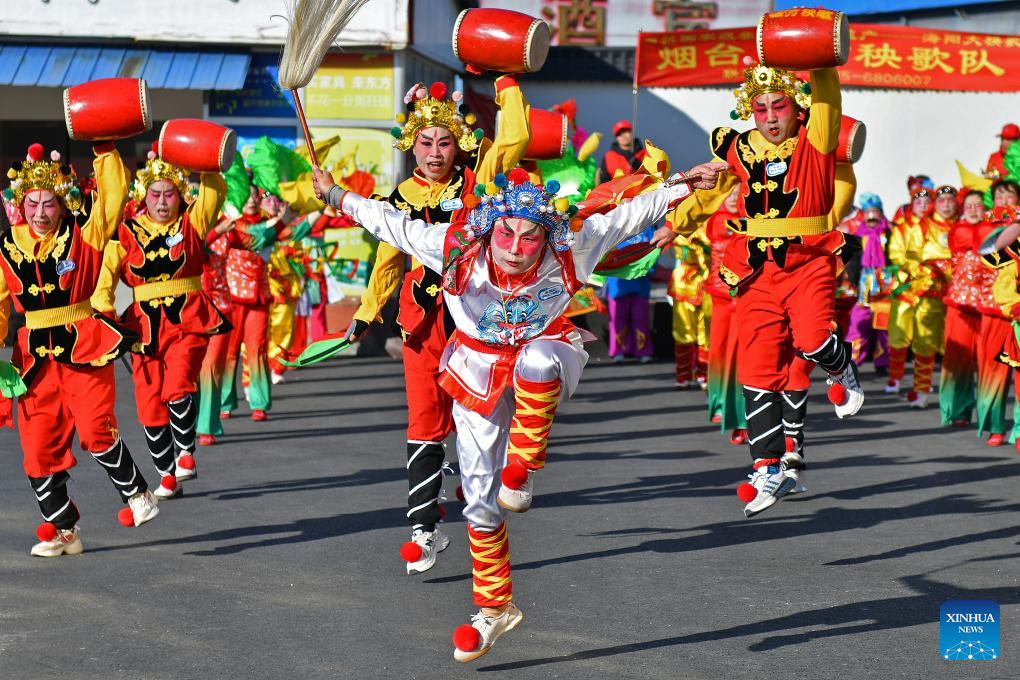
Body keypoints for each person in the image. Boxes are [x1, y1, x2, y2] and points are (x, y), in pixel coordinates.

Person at [314, 156, 727, 661]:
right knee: (480, 505)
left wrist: (686, 182)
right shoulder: (454, 247)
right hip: (475, 374)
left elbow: (632, 213)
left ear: (545, 236)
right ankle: (494, 609)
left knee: (536, 358)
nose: (514, 249)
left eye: (529, 238)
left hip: (543, 355)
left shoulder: (571, 245)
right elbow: (389, 222)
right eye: (506, 235)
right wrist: (335, 195)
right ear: (489, 231)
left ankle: (524, 465)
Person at [663, 59, 865, 518]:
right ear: (749, 111)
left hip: (809, 261)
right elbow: (710, 195)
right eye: (761, 108)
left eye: (780, 106)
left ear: (797, 109)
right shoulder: (735, 148)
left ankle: (840, 365)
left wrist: (819, 63)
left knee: (813, 340)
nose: (771, 116)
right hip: (754, 268)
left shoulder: (816, 138)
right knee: (755, 371)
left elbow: (829, 98)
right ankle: (768, 466)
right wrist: (675, 225)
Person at [348, 77, 529, 575]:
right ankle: (424, 529)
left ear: (458, 145)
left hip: (475, 322)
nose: (434, 151)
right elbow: (387, 262)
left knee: (485, 418)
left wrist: (507, 86)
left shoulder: (478, 183)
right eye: (425, 142)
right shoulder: (398, 198)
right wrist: (366, 314)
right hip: (421, 323)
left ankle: (491, 495)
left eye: (444, 141)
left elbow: (513, 139)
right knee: (424, 423)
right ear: (412, 146)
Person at [0, 142, 159, 556]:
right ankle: (63, 529)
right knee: (37, 447)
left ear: (62, 203)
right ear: (21, 203)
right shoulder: (6, 247)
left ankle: (138, 493)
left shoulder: (83, 233)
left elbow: (112, 191)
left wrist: (103, 146)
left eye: (48, 203)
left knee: (94, 428)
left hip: (83, 342)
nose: (39, 213)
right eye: (32, 203)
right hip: (33, 358)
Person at [92, 145, 229, 497]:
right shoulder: (124, 234)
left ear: (180, 195)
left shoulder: (192, 221)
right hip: (142, 327)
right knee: (150, 401)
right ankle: (166, 474)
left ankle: (186, 452)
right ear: (144, 196)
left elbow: (213, 194)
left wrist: (208, 163)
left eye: (170, 193)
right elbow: (105, 277)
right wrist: (104, 316)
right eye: (156, 194)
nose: (163, 201)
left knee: (179, 383)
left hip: (189, 318)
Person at [887, 186, 950, 408]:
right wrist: (919, 270)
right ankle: (896, 378)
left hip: (945, 291)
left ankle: (947, 390)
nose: (923, 206)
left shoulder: (953, 225)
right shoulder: (906, 228)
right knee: (900, 335)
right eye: (919, 202)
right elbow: (902, 253)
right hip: (909, 289)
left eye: (927, 202)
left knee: (945, 343)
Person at [976, 180, 1020, 447]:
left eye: (1010, 194)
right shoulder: (984, 227)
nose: (1005, 199)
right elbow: (985, 254)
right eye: (999, 195)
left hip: (1018, 312)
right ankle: (995, 425)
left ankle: (1019, 430)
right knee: (992, 371)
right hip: (993, 311)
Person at [703, 188, 747, 444]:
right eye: (729, 191)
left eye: (738, 191)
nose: (733, 195)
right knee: (719, 352)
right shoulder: (717, 219)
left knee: (742, 356)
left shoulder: (752, 219)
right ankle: (719, 403)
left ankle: (741, 416)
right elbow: (725, 228)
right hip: (720, 295)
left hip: (745, 295)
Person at [939, 187, 982, 427]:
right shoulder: (959, 230)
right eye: (969, 206)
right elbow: (980, 241)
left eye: (979, 205)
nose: (974, 210)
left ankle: (980, 412)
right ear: (962, 209)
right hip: (960, 305)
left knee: (983, 362)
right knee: (958, 360)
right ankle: (954, 410)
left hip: (986, 307)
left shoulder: (991, 228)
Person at [844, 193, 892, 376]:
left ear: (881, 214)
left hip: (885, 284)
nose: (872, 217)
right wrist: (856, 280)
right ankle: (851, 360)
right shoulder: (857, 236)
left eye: (875, 212)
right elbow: (853, 262)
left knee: (884, 325)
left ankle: (882, 362)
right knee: (858, 322)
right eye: (868, 213)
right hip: (864, 284)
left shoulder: (889, 234)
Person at [670, 222, 711, 387]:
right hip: (684, 285)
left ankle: (704, 375)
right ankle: (684, 375)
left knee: (706, 334)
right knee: (683, 331)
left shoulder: (712, 220)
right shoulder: (679, 220)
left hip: (707, 281)